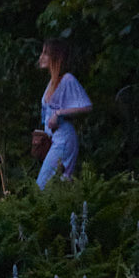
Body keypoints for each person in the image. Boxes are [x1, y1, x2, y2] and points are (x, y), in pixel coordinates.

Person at [36, 38, 92, 189]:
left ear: (56, 57)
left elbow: (86, 106)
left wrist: (59, 113)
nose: (41, 57)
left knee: (43, 185)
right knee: (59, 185)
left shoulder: (67, 79)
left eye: (46, 53)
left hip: (64, 138)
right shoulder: (52, 82)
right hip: (53, 139)